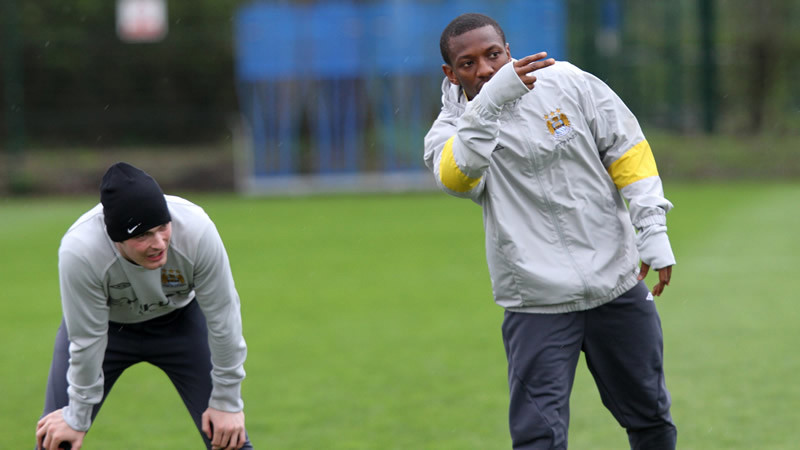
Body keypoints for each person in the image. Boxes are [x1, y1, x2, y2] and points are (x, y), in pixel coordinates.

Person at [424, 13, 678, 450]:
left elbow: (627, 147)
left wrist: (652, 227)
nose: (484, 69)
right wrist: (490, 105)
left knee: (651, 419)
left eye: (493, 55)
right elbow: (458, 177)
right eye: (468, 64)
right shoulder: (449, 132)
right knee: (537, 439)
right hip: (535, 302)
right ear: (450, 73)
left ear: (508, 50)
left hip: (616, 284)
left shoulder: (567, 81)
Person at [36, 162, 253, 450]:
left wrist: (227, 400)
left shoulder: (197, 230)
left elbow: (224, 315)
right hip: (106, 333)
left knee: (229, 439)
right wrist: (76, 416)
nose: (159, 243)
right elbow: (88, 339)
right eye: (141, 236)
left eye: (162, 227)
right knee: (56, 440)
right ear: (116, 239)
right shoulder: (81, 251)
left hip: (181, 324)